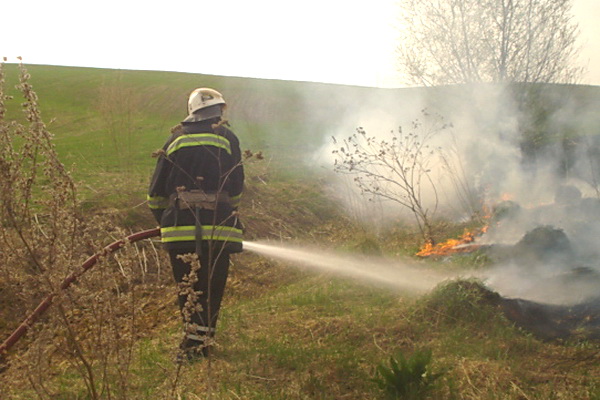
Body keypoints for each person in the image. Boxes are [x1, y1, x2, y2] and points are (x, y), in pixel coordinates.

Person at [147, 88, 244, 360]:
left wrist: (165, 221)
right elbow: (236, 187)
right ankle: (200, 344)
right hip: (219, 228)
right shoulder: (228, 138)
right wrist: (228, 210)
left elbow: (155, 193)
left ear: (192, 111)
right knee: (212, 288)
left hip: (179, 229)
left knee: (188, 288)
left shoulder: (175, 139)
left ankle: (194, 344)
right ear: (219, 111)